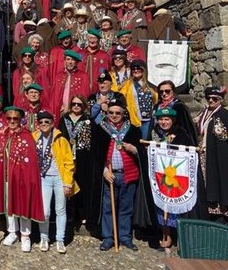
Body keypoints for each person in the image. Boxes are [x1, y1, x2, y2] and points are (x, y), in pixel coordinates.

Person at [90, 98, 148, 252]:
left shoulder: (133, 130)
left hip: (128, 174)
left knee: (126, 208)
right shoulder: (100, 129)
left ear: (123, 114)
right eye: (111, 113)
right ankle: (108, 238)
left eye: (117, 113)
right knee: (108, 207)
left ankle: (125, 237)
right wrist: (104, 171)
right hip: (110, 174)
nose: (114, 116)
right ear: (107, 113)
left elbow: (142, 152)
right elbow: (95, 154)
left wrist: (134, 149)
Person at [0, 106, 44, 253]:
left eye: (15, 119)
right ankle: (12, 232)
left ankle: (25, 236)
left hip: (21, 178)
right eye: (9, 118)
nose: (12, 121)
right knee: (8, 206)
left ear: (20, 120)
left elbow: (30, 161)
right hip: (6, 177)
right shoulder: (3, 135)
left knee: (23, 204)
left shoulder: (26, 136)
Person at [150, 108, 205, 253]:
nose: (163, 122)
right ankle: (166, 235)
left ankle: (180, 238)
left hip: (176, 176)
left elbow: (187, 151)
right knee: (162, 207)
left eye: (167, 119)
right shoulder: (154, 133)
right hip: (161, 175)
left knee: (178, 206)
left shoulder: (181, 133)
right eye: (161, 119)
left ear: (172, 120)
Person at [195, 86, 228, 223]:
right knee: (206, 185)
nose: (211, 100)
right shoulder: (203, 113)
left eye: (214, 98)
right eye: (209, 98)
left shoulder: (225, 115)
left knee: (219, 183)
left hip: (218, 157)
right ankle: (210, 212)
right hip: (203, 155)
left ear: (220, 100)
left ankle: (223, 215)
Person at [33, 111, 77, 253]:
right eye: (41, 122)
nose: (44, 124)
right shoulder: (34, 138)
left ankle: (60, 239)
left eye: (47, 122)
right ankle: (44, 238)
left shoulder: (61, 140)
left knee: (60, 209)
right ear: (38, 125)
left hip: (59, 177)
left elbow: (69, 163)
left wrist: (68, 183)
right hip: (43, 177)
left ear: (52, 124)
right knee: (45, 211)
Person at [58, 95, 92, 227]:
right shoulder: (64, 119)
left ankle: (82, 214)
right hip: (67, 156)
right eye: (74, 104)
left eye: (79, 104)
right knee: (68, 184)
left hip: (82, 157)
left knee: (82, 184)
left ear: (83, 106)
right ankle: (69, 213)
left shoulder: (87, 119)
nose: (76, 106)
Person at [49, 50, 90, 127]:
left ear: (76, 62)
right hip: (61, 111)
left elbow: (84, 96)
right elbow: (54, 97)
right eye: (68, 59)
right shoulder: (58, 76)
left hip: (76, 111)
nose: (70, 62)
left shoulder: (83, 76)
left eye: (73, 60)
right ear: (64, 61)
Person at [120, 59, 157, 139]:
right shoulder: (128, 84)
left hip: (148, 119)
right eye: (133, 69)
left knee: (145, 141)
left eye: (138, 68)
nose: (136, 70)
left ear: (143, 70)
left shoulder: (150, 84)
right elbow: (121, 97)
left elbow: (156, 99)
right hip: (134, 118)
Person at [76, 29, 111, 94]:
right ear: (87, 39)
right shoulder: (80, 54)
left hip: (98, 91)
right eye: (90, 38)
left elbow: (108, 73)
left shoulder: (104, 56)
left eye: (95, 38)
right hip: (80, 90)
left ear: (98, 40)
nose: (92, 40)